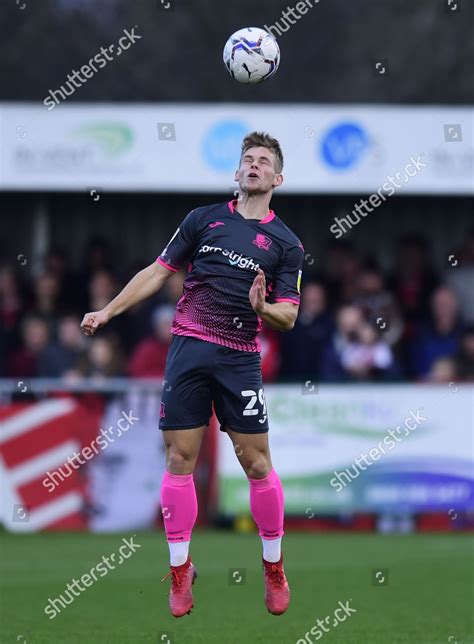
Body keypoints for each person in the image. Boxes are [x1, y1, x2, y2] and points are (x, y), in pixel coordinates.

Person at [80, 132, 304, 618]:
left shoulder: (286, 244)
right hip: (189, 351)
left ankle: (273, 566)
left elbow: (288, 315)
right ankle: (181, 573)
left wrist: (263, 305)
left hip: (240, 357)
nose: (254, 165)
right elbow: (159, 271)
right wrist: (109, 311)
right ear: (236, 172)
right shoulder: (202, 220)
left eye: (264, 161)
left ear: (277, 178)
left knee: (258, 465)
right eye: (247, 159)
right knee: (179, 460)